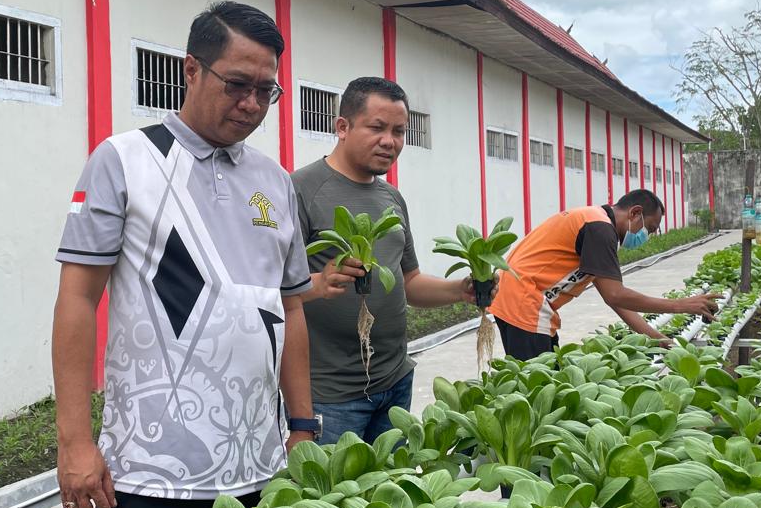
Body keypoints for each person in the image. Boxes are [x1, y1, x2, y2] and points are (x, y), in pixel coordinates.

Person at [51, 1, 319, 508]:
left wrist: (302, 427)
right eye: (237, 84)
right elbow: (76, 300)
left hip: (259, 468)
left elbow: (290, 307)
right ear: (191, 69)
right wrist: (74, 443)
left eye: (266, 92)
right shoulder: (125, 161)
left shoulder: (275, 181)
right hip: (151, 475)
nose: (250, 104)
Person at [293, 77, 478, 444]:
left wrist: (461, 290)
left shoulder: (392, 197)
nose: (389, 141)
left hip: (395, 381)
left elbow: (409, 282)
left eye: (399, 131)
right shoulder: (301, 190)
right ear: (342, 126)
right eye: (377, 127)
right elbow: (276, 295)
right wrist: (319, 282)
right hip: (331, 395)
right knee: (335, 500)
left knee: (391, 496)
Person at [487, 189, 719, 359]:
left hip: (518, 299)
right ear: (635, 213)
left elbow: (616, 301)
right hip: (525, 303)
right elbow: (615, 295)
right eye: (649, 228)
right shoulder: (600, 229)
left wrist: (659, 340)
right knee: (536, 387)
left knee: (544, 378)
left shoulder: (595, 222)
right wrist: (681, 305)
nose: (647, 235)